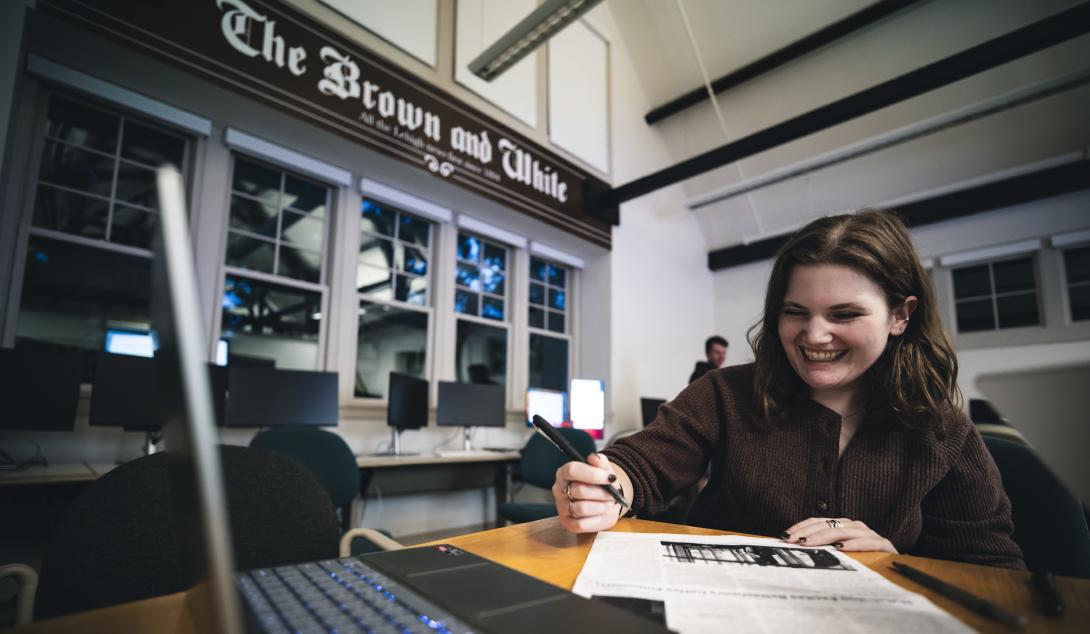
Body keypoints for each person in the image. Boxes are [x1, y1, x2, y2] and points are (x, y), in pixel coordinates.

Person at [553, 209, 1024, 569]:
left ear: (901, 315)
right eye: (795, 311)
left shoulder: (944, 432)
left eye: (844, 315)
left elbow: (992, 572)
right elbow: (642, 468)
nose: (814, 336)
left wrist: (893, 561)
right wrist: (606, 486)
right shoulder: (724, 393)